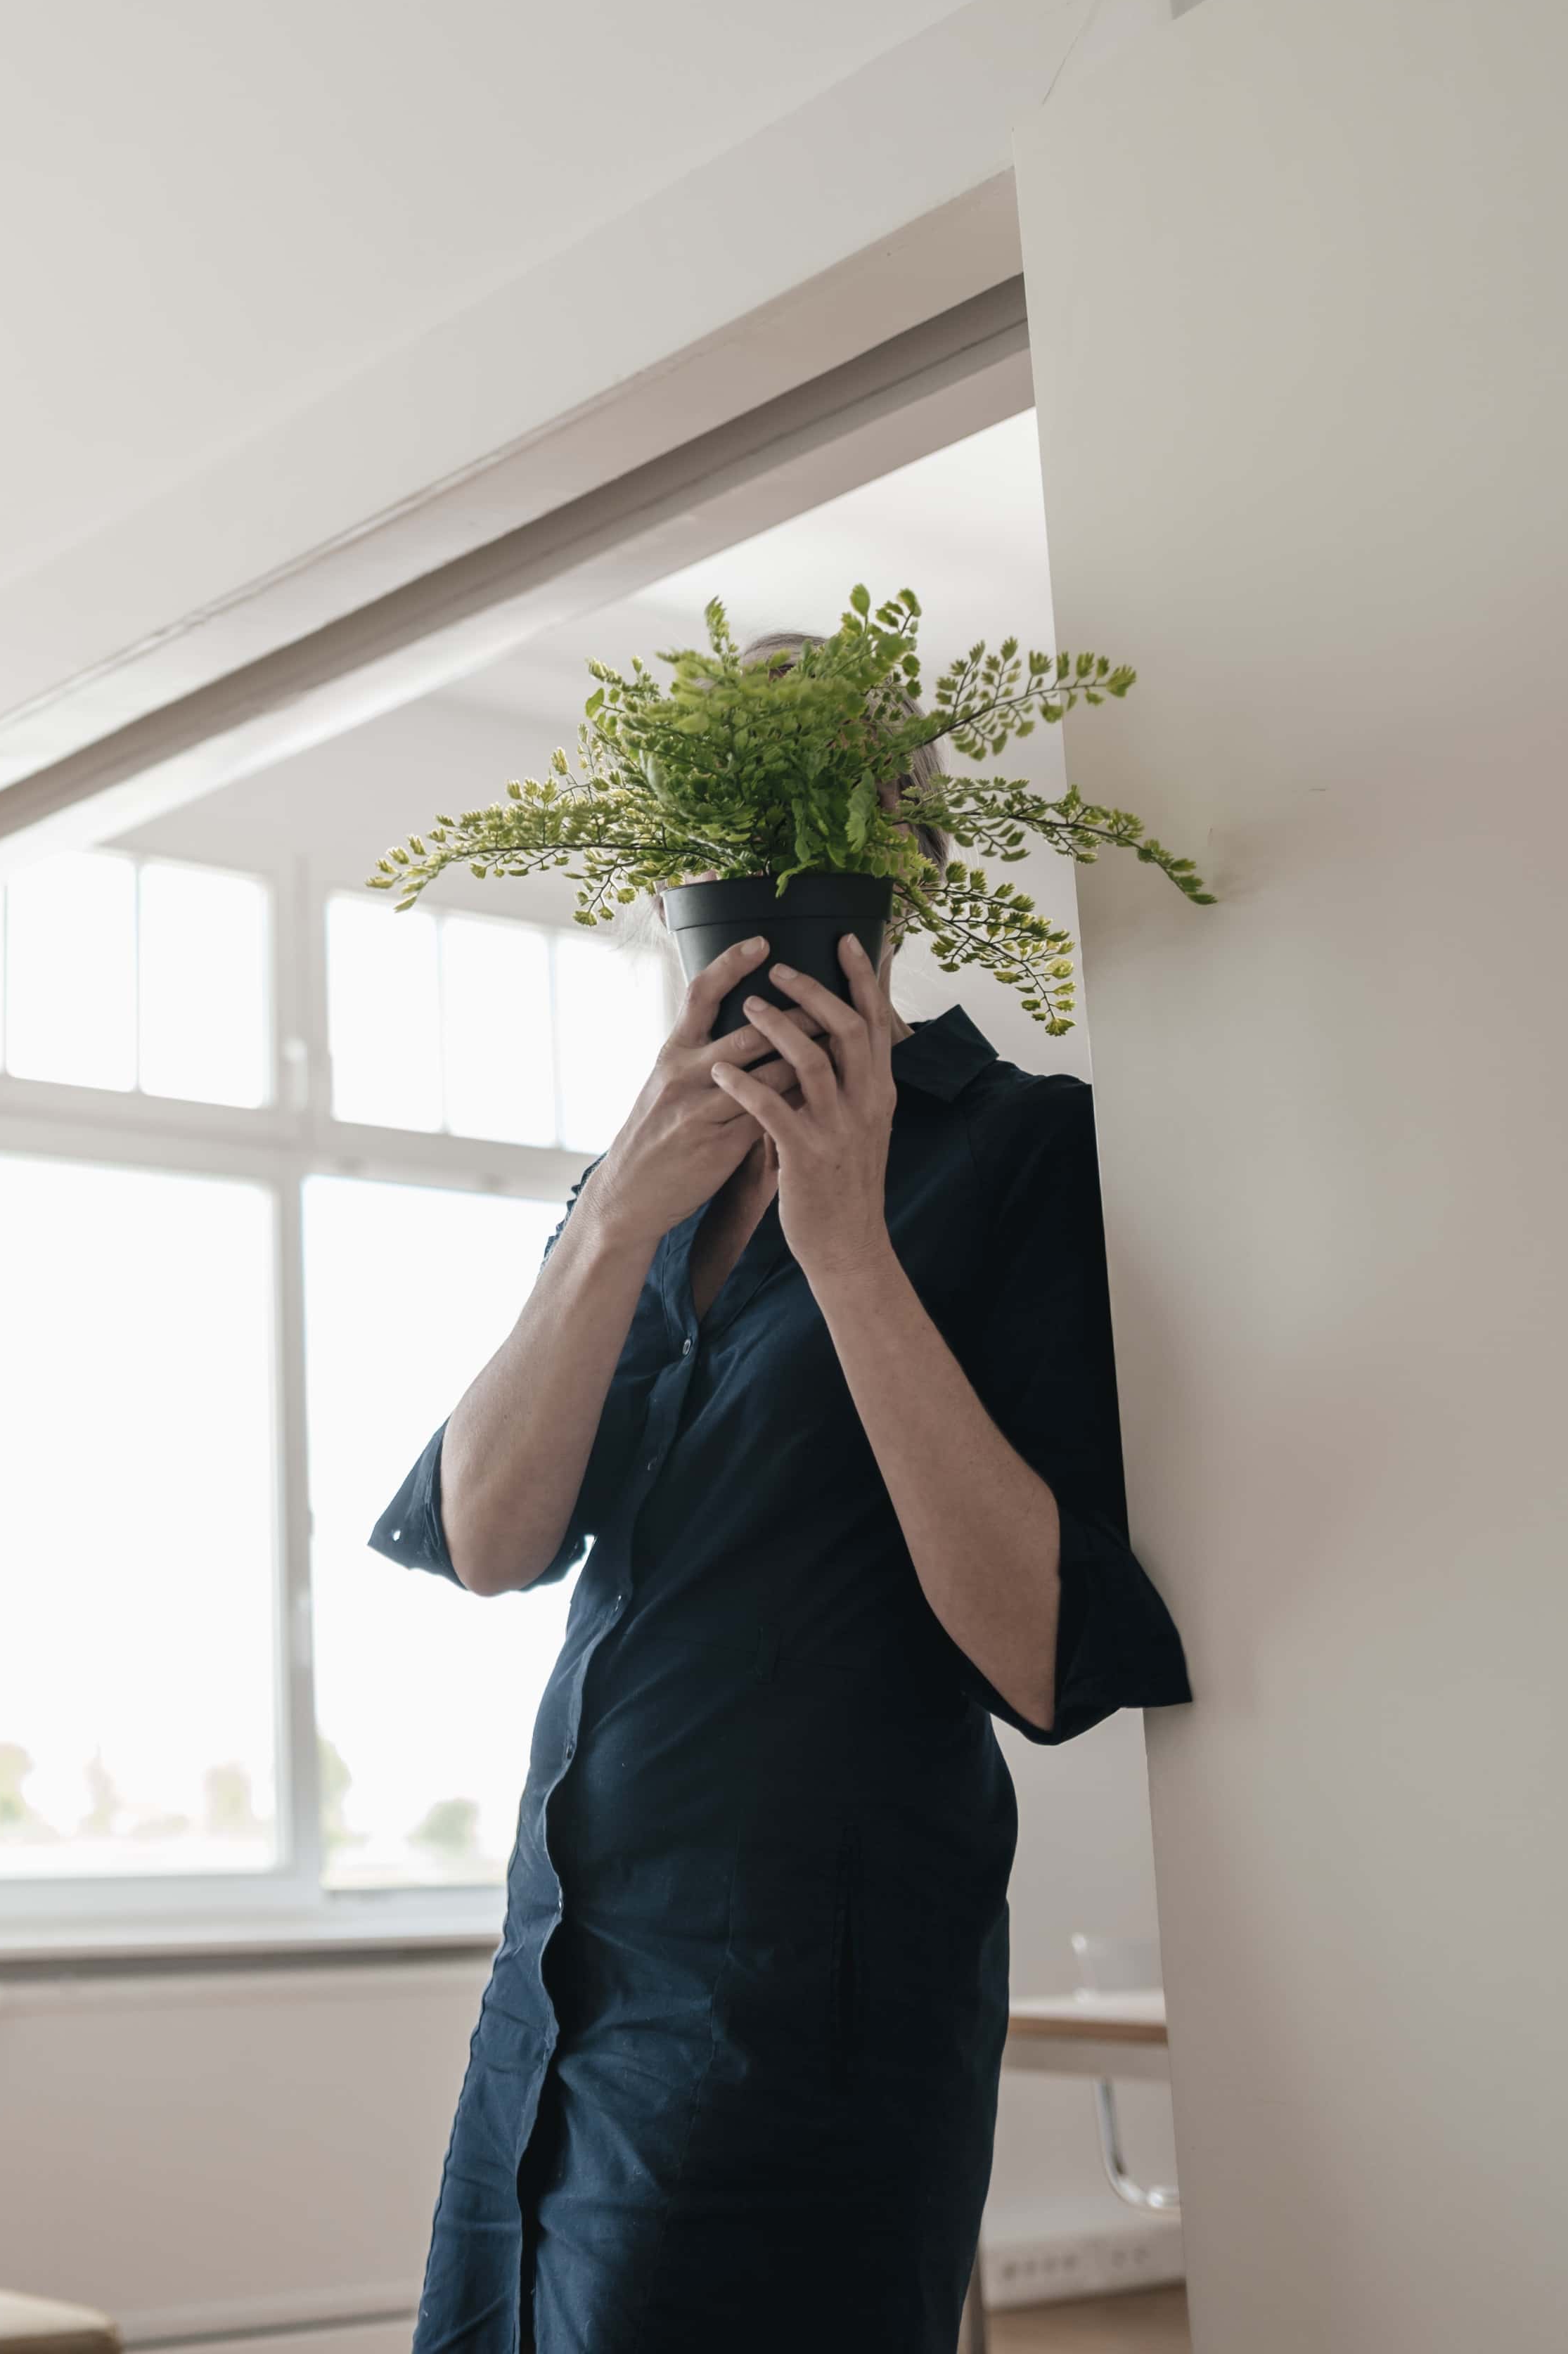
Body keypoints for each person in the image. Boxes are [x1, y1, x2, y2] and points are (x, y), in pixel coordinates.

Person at [371, 926, 1190, 2352]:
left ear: (895, 869)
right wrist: (616, 1217)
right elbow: (492, 1537)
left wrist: (847, 1244)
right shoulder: (641, 1181)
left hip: (805, 1995)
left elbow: (1047, 1657)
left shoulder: (1023, 1145)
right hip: (555, 1979)